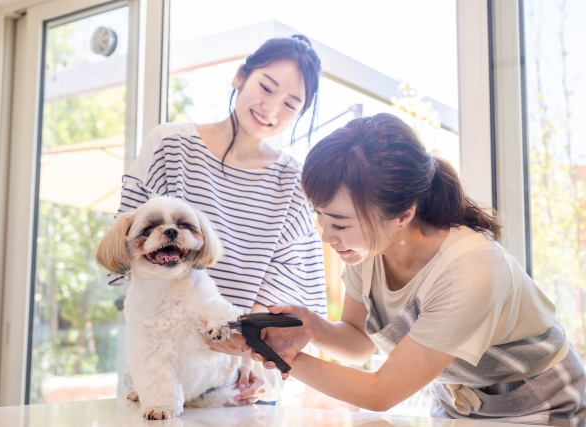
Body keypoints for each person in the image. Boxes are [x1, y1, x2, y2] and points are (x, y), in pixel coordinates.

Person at [250, 113, 586, 424]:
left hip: (540, 401)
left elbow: (381, 392)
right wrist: (314, 327)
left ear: (403, 215)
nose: (326, 236)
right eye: (319, 216)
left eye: (339, 223)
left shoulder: (470, 270)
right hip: (458, 400)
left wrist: (281, 357)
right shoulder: (365, 248)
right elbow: (359, 343)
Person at [110, 35, 327, 405]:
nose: (271, 108)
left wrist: (251, 358)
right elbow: (124, 256)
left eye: (291, 103)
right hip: (158, 373)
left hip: (235, 379)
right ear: (240, 76)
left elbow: (280, 301)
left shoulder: (294, 184)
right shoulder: (168, 146)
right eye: (266, 87)